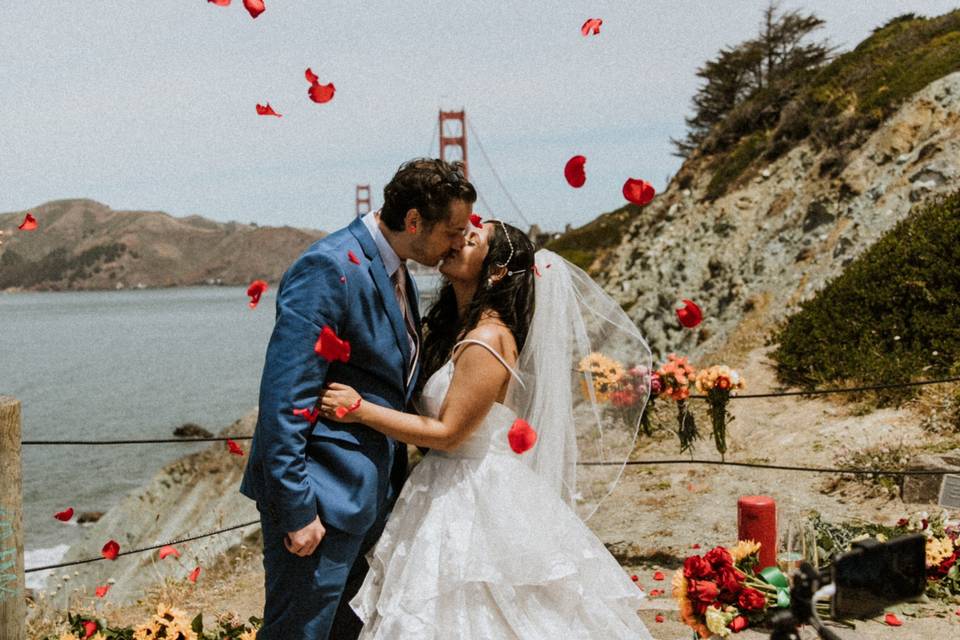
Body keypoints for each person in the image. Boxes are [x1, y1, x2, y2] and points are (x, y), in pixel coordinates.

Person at [319, 219, 656, 638]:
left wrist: (359, 410)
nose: (456, 238)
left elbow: (449, 433)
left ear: (495, 270)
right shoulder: (457, 330)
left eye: (471, 238)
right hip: (444, 483)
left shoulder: (488, 339)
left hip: (473, 491)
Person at [239, 158, 476, 639]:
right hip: (321, 505)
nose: (458, 241)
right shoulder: (328, 267)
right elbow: (285, 397)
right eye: (452, 230)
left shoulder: (399, 274)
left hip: (369, 502)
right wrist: (297, 509)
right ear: (414, 222)